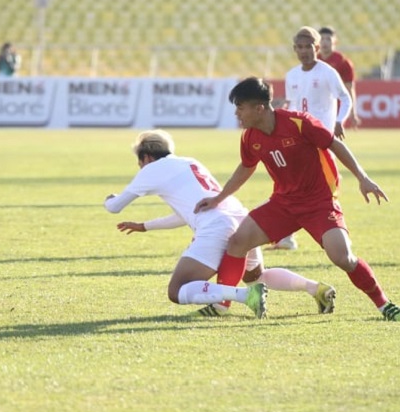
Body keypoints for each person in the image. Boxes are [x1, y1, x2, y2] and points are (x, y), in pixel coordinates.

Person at [195, 76, 400, 322]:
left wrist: (363, 178)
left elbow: (335, 145)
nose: (237, 114)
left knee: (343, 258)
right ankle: (222, 305)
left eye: (240, 108)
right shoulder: (250, 137)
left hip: (319, 203)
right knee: (238, 242)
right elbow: (246, 167)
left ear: (259, 108)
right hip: (283, 204)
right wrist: (219, 197)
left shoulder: (299, 123)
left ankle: (385, 305)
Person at [104, 130, 338, 319]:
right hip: (241, 219)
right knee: (257, 277)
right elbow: (187, 213)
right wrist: (144, 226)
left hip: (216, 227)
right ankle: (314, 288)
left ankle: (245, 297)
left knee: (177, 291)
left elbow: (115, 207)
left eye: (140, 163)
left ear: (146, 158)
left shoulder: (151, 169)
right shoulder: (189, 162)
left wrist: (109, 200)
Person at [273, 26, 353, 251]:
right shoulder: (291, 76)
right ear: (294, 49)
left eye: (308, 46)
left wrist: (339, 121)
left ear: (316, 48)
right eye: (299, 47)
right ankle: (286, 237)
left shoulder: (327, 72)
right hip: (298, 143)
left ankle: (340, 234)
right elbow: (293, 105)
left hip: (322, 142)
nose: (303, 51)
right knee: (289, 187)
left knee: (328, 191)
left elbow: (345, 99)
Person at [318, 26, 361, 129]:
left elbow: (349, 88)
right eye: (322, 39)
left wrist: (352, 113)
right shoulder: (313, 61)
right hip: (317, 107)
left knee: (332, 140)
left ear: (335, 41)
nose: (324, 42)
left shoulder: (343, 62)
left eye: (328, 39)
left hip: (336, 109)